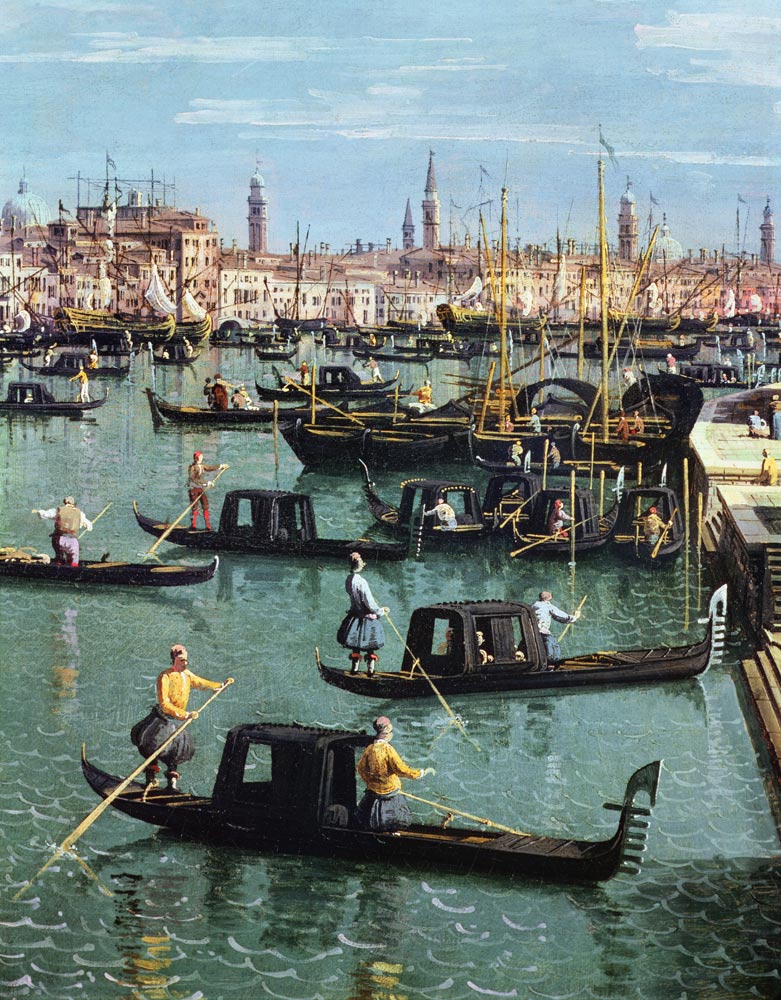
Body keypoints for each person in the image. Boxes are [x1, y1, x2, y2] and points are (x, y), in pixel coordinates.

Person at [130, 644, 233, 791]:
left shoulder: (187, 675)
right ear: (174, 660)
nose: (185, 663)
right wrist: (185, 714)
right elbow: (164, 704)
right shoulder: (165, 676)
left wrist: (219, 685)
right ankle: (150, 779)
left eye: (186, 660)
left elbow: (201, 683)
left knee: (176, 751)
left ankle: (172, 785)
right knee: (153, 747)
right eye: (181, 660)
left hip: (177, 722)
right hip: (162, 719)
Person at [354, 716, 434, 832]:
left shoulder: (369, 749)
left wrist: (371, 781)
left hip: (373, 791)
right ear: (386, 733)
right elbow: (401, 769)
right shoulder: (388, 749)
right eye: (391, 731)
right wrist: (420, 773)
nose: (392, 734)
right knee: (395, 821)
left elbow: (361, 769)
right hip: (390, 790)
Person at [337, 552, 388, 676]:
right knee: (370, 646)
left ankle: (354, 670)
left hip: (355, 616)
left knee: (356, 645)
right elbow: (370, 603)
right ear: (359, 565)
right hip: (367, 618)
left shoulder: (348, 579)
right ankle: (370, 671)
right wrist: (381, 611)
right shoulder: (362, 582)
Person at [32, 496, 93, 566]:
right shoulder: (80, 513)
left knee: (59, 555)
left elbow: (45, 514)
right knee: (74, 557)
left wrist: (38, 511)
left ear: (65, 502)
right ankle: (73, 566)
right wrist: (88, 526)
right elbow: (88, 525)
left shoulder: (58, 510)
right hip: (72, 540)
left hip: (59, 538)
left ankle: (59, 563)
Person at [532, 591, 580, 665]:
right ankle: (552, 663)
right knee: (554, 648)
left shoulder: (533, 605)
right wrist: (575, 617)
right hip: (543, 632)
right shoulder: (547, 606)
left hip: (532, 633)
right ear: (548, 598)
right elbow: (561, 616)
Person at [187, 451, 228, 530]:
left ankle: (208, 526)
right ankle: (193, 526)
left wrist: (221, 466)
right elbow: (193, 479)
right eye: (201, 457)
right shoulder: (192, 468)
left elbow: (210, 468)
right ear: (197, 458)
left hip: (200, 488)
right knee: (195, 507)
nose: (202, 458)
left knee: (205, 505)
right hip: (193, 489)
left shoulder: (202, 466)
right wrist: (206, 483)